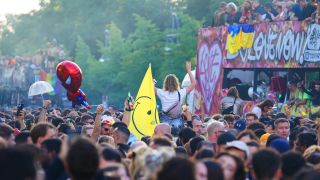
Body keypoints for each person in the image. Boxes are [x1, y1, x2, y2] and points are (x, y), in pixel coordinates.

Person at [155, 61, 196, 135]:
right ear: (176, 83)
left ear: (165, 83)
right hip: (177, 121)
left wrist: (152, 82)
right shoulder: (180, 93)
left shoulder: (161, 93)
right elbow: (193, 83)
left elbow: (149, 87)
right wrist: (189, 71)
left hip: (164, 120)